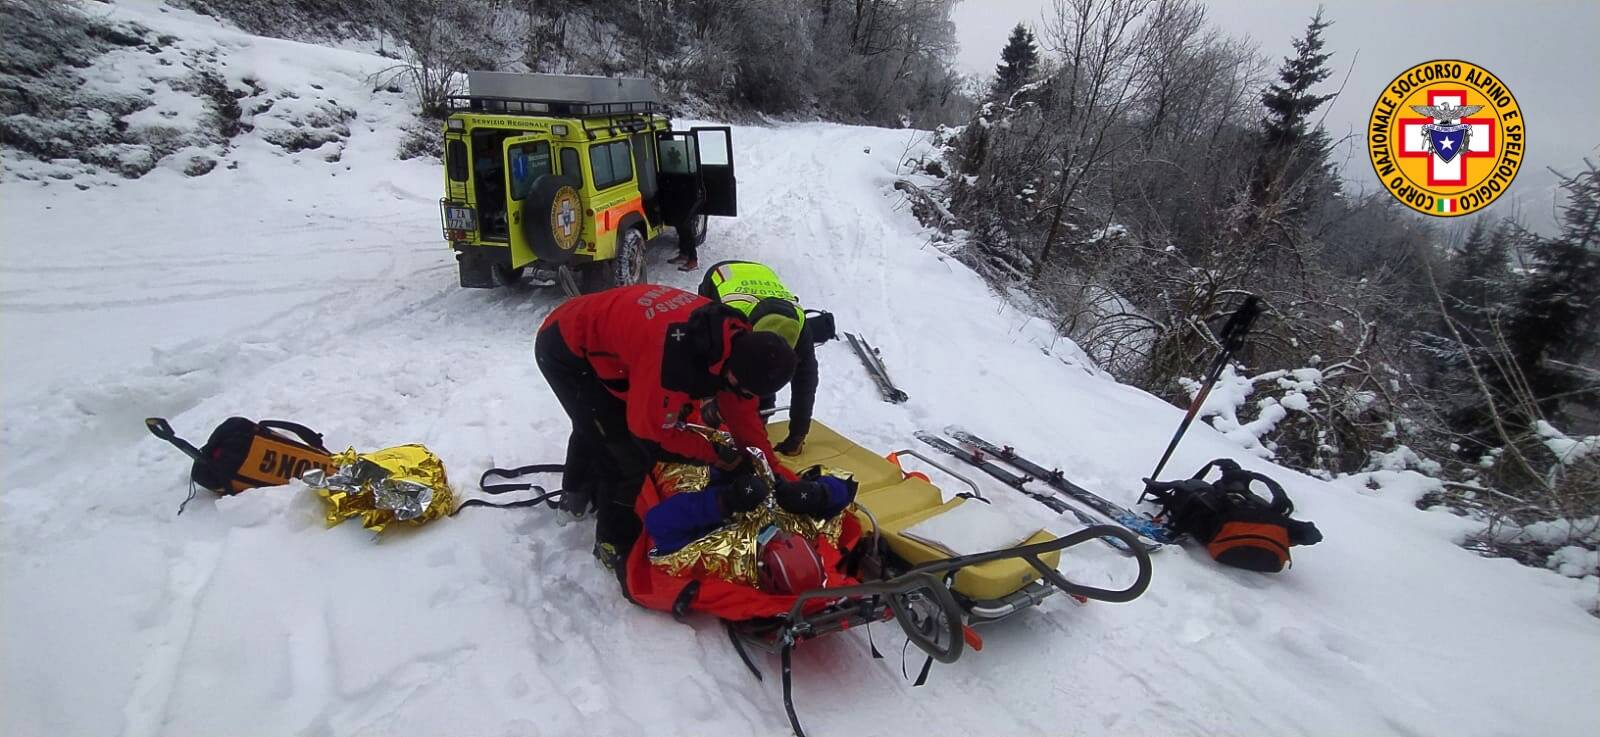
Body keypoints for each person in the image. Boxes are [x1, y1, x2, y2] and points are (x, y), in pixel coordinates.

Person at [535, 284, 799, 575]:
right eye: (744, 387)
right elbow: (652, 434)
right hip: (566, 349)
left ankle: (575, 498)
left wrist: (769, 470)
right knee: (624, 455)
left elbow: (742, 414)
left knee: (597, 426)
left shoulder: (735, 338)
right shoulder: (675, 360)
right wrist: (715, 455)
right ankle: (613, 545)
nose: (743, 393)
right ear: (735, 372)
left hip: (606, 340)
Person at [697, 260, 832, 456]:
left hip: (762, 276)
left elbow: (806, 384)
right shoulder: (725, 320)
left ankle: (759, 419)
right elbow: (700, 360)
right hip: (720, 277)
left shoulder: (801, 332)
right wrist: (710, 403)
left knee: (760, 380)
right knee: (719, 370)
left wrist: (797, 434)